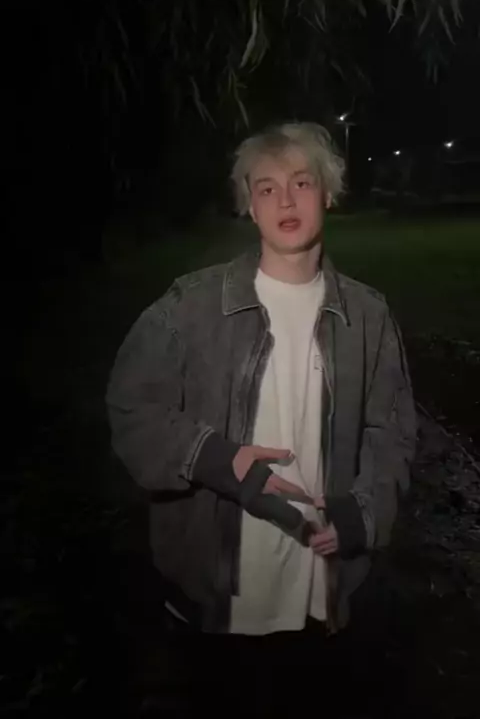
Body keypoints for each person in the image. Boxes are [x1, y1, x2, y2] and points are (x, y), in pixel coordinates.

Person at [106, 122, 417, 715]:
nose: (285, 200)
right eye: (267, 188)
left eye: (302, 182)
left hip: (321, 588)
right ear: (249, 205)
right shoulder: (190, 306)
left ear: (328, 193)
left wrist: (364, 512)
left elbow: (393, 430)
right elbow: (131, 408)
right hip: (217, 594)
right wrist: (217, 459)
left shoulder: (369, 316)